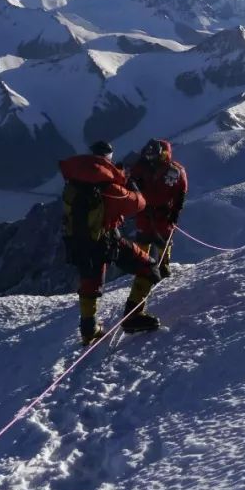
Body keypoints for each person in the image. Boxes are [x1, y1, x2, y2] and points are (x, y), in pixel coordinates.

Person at [59, 140, 159, 345]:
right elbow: (138, 204)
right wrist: (128, 184)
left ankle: (89, 330)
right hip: (106, 240)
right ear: (108, 159)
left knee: (90, 284)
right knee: (149, 268)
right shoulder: (108, 187)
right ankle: (133, 317)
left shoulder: (73, 182)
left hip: (79, 242)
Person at [130, 138, 187, 286]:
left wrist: (175, 212)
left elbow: (180, 193)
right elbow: (130, 181)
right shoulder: (141, 167)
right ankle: (143, 265)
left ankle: (163, 265)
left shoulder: (175, 171)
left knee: (164, 240)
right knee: (143, 239)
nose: (150, 157)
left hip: (163, 212)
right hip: (146, 211)